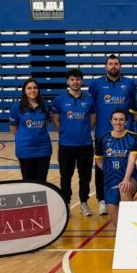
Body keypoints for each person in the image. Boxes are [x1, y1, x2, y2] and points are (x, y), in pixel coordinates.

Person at [89, 54, 136, 215]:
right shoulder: (96, 85)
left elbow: (133, 107)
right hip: (103, 134)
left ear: (120, 66)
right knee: (102, 168)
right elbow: (92, 108)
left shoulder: (129, 84)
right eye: (110, 64)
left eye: (116, 63)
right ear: (106, 66)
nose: (113, 66)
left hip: (124, 136)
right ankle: (102, 200)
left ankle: (124, 196)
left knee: (124, 166)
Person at [51, 68, 96, 216]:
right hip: (66, 145)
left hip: (85, 145)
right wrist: (63, 132)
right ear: (67, 81)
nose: (75, 82)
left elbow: (93, 117)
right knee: (66, 176)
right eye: (72, 79)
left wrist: (84, 130)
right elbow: (55, 119)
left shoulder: (89, 98)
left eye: (77, 79)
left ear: (81, 81)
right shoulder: (59, 99)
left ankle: (84, 203)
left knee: (85, 177)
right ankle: (66, 202)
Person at [94, 109, 137, 226]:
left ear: (126, 122)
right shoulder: (103, 139)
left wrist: (126, 179)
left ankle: (132, 229)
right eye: (115, 119)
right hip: (110, 180)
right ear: (111, 121)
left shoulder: (133, 137)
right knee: (117, 226)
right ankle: (122, 236)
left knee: (124, 189)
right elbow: (98, 159)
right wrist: (107, 170)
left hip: (129, 177)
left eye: (121, 120)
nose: (118, 122)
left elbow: (132, 160)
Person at [9, 78, 52, 182]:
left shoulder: (45, 106)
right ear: (24, 90)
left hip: (43, 150)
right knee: (29, 183)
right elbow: (13, 129)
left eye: (35, 88)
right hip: (25, 151)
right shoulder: (17, 107)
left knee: (42, 182)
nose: (32, 90)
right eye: (29, 88)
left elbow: (45, 124)